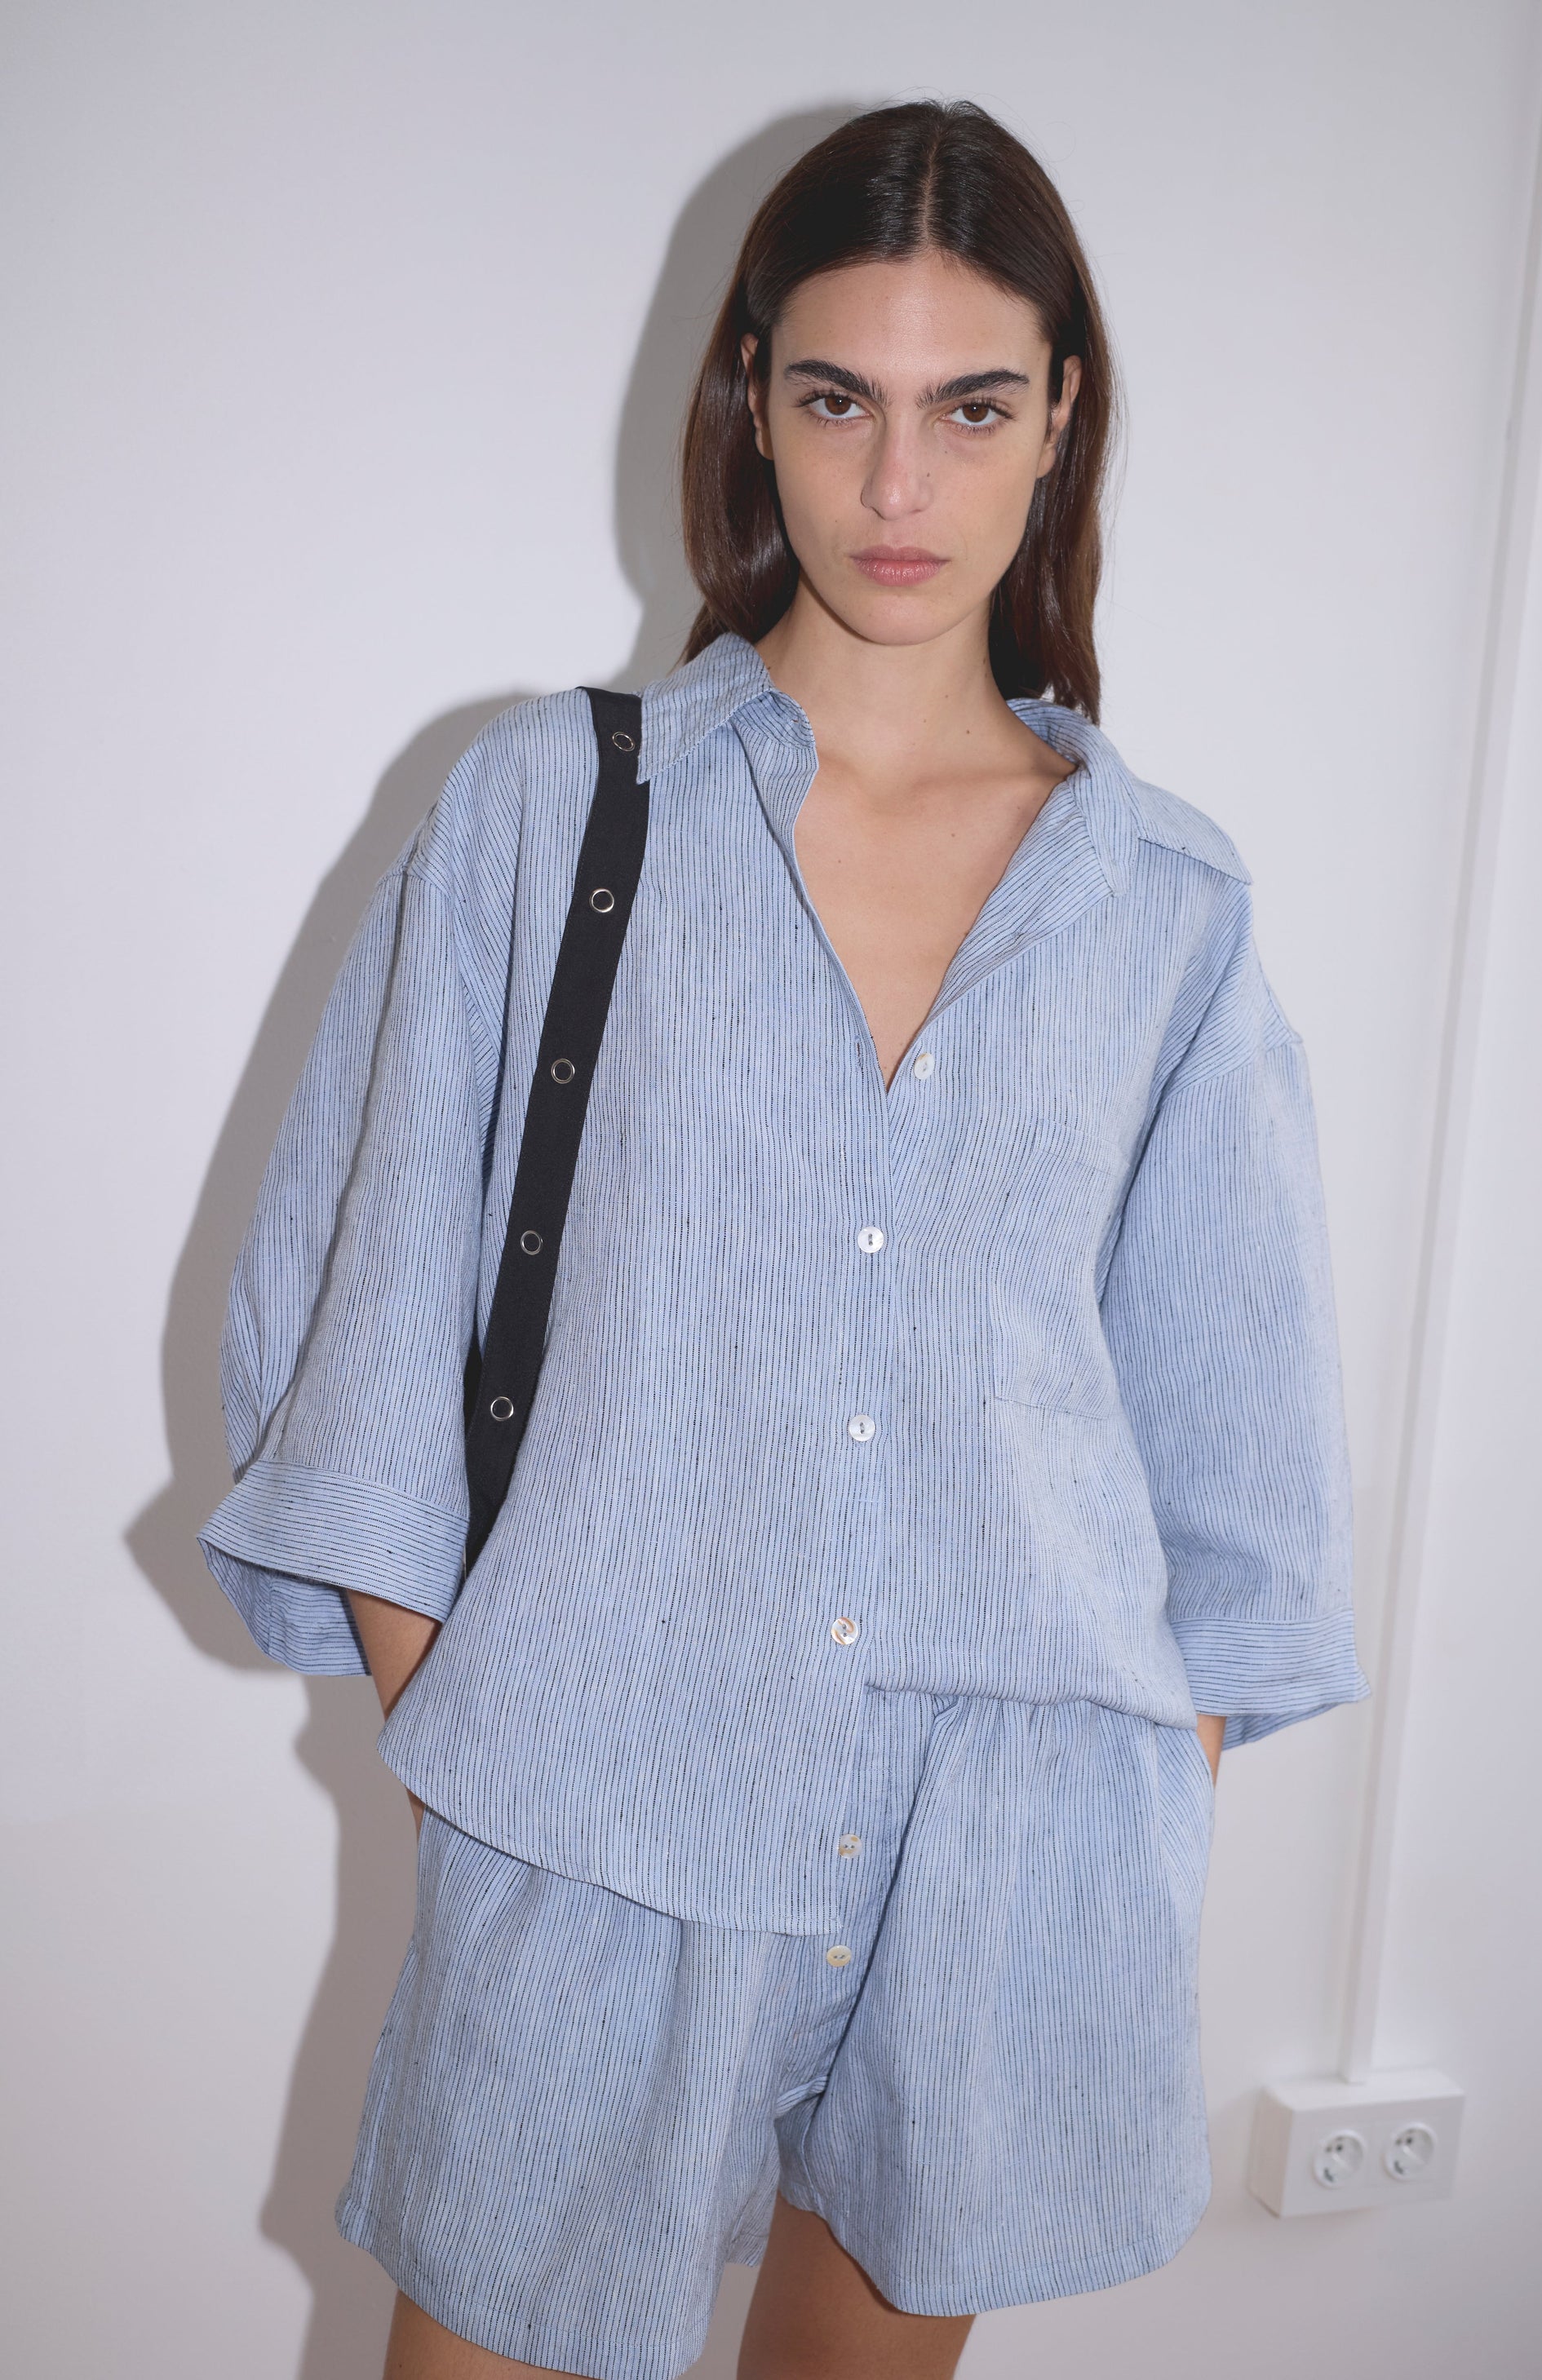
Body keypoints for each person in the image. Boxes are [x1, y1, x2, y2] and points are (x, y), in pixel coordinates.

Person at [200, 99, 1370, 2380]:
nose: (898, 489)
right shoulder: (556, 807)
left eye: (970, 409)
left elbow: (1231, 1452)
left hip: (997, 1854)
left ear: (1061, 427)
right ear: (752, 400)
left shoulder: (1163, 903)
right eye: (837, 400)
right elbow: (355, 1314)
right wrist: (483, 1737)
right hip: (602, 1808)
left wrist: (1107, 1805)